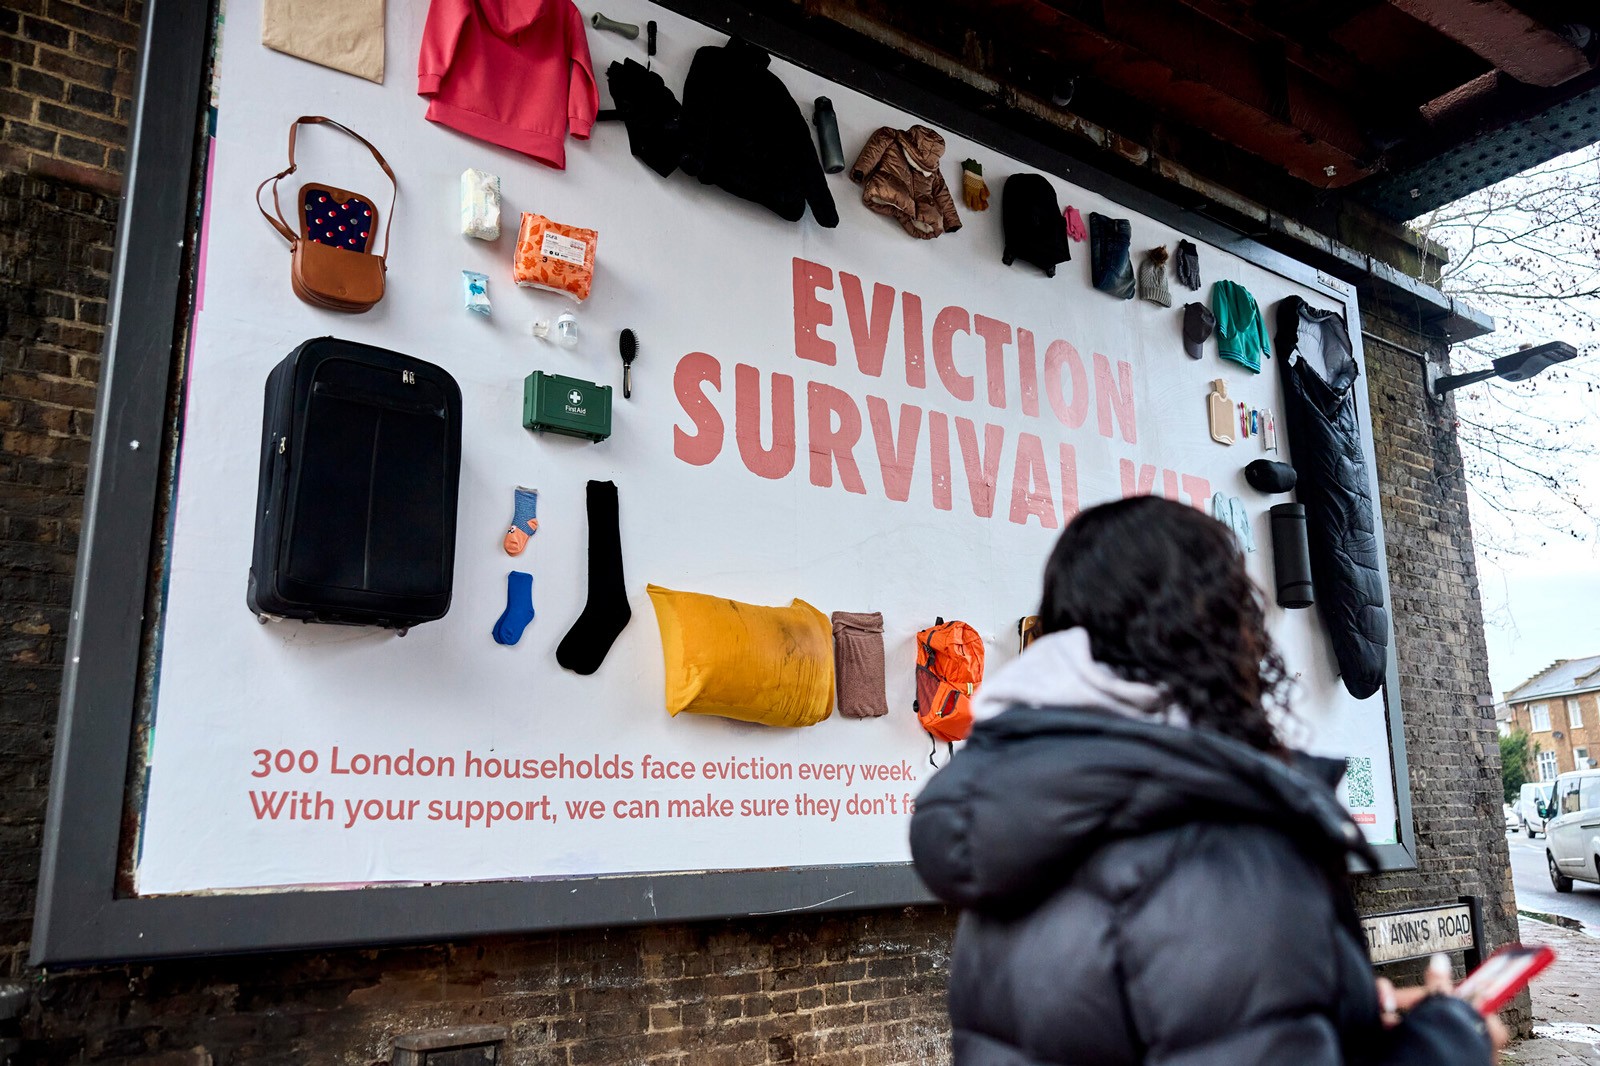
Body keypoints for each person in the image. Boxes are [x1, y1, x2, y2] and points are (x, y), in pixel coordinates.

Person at [909, 496, 1504, 1065]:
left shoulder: (1024, 828)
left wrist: (1330, 1012)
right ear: (1220, 632)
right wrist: (1449, 1040)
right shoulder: (1223, 843)